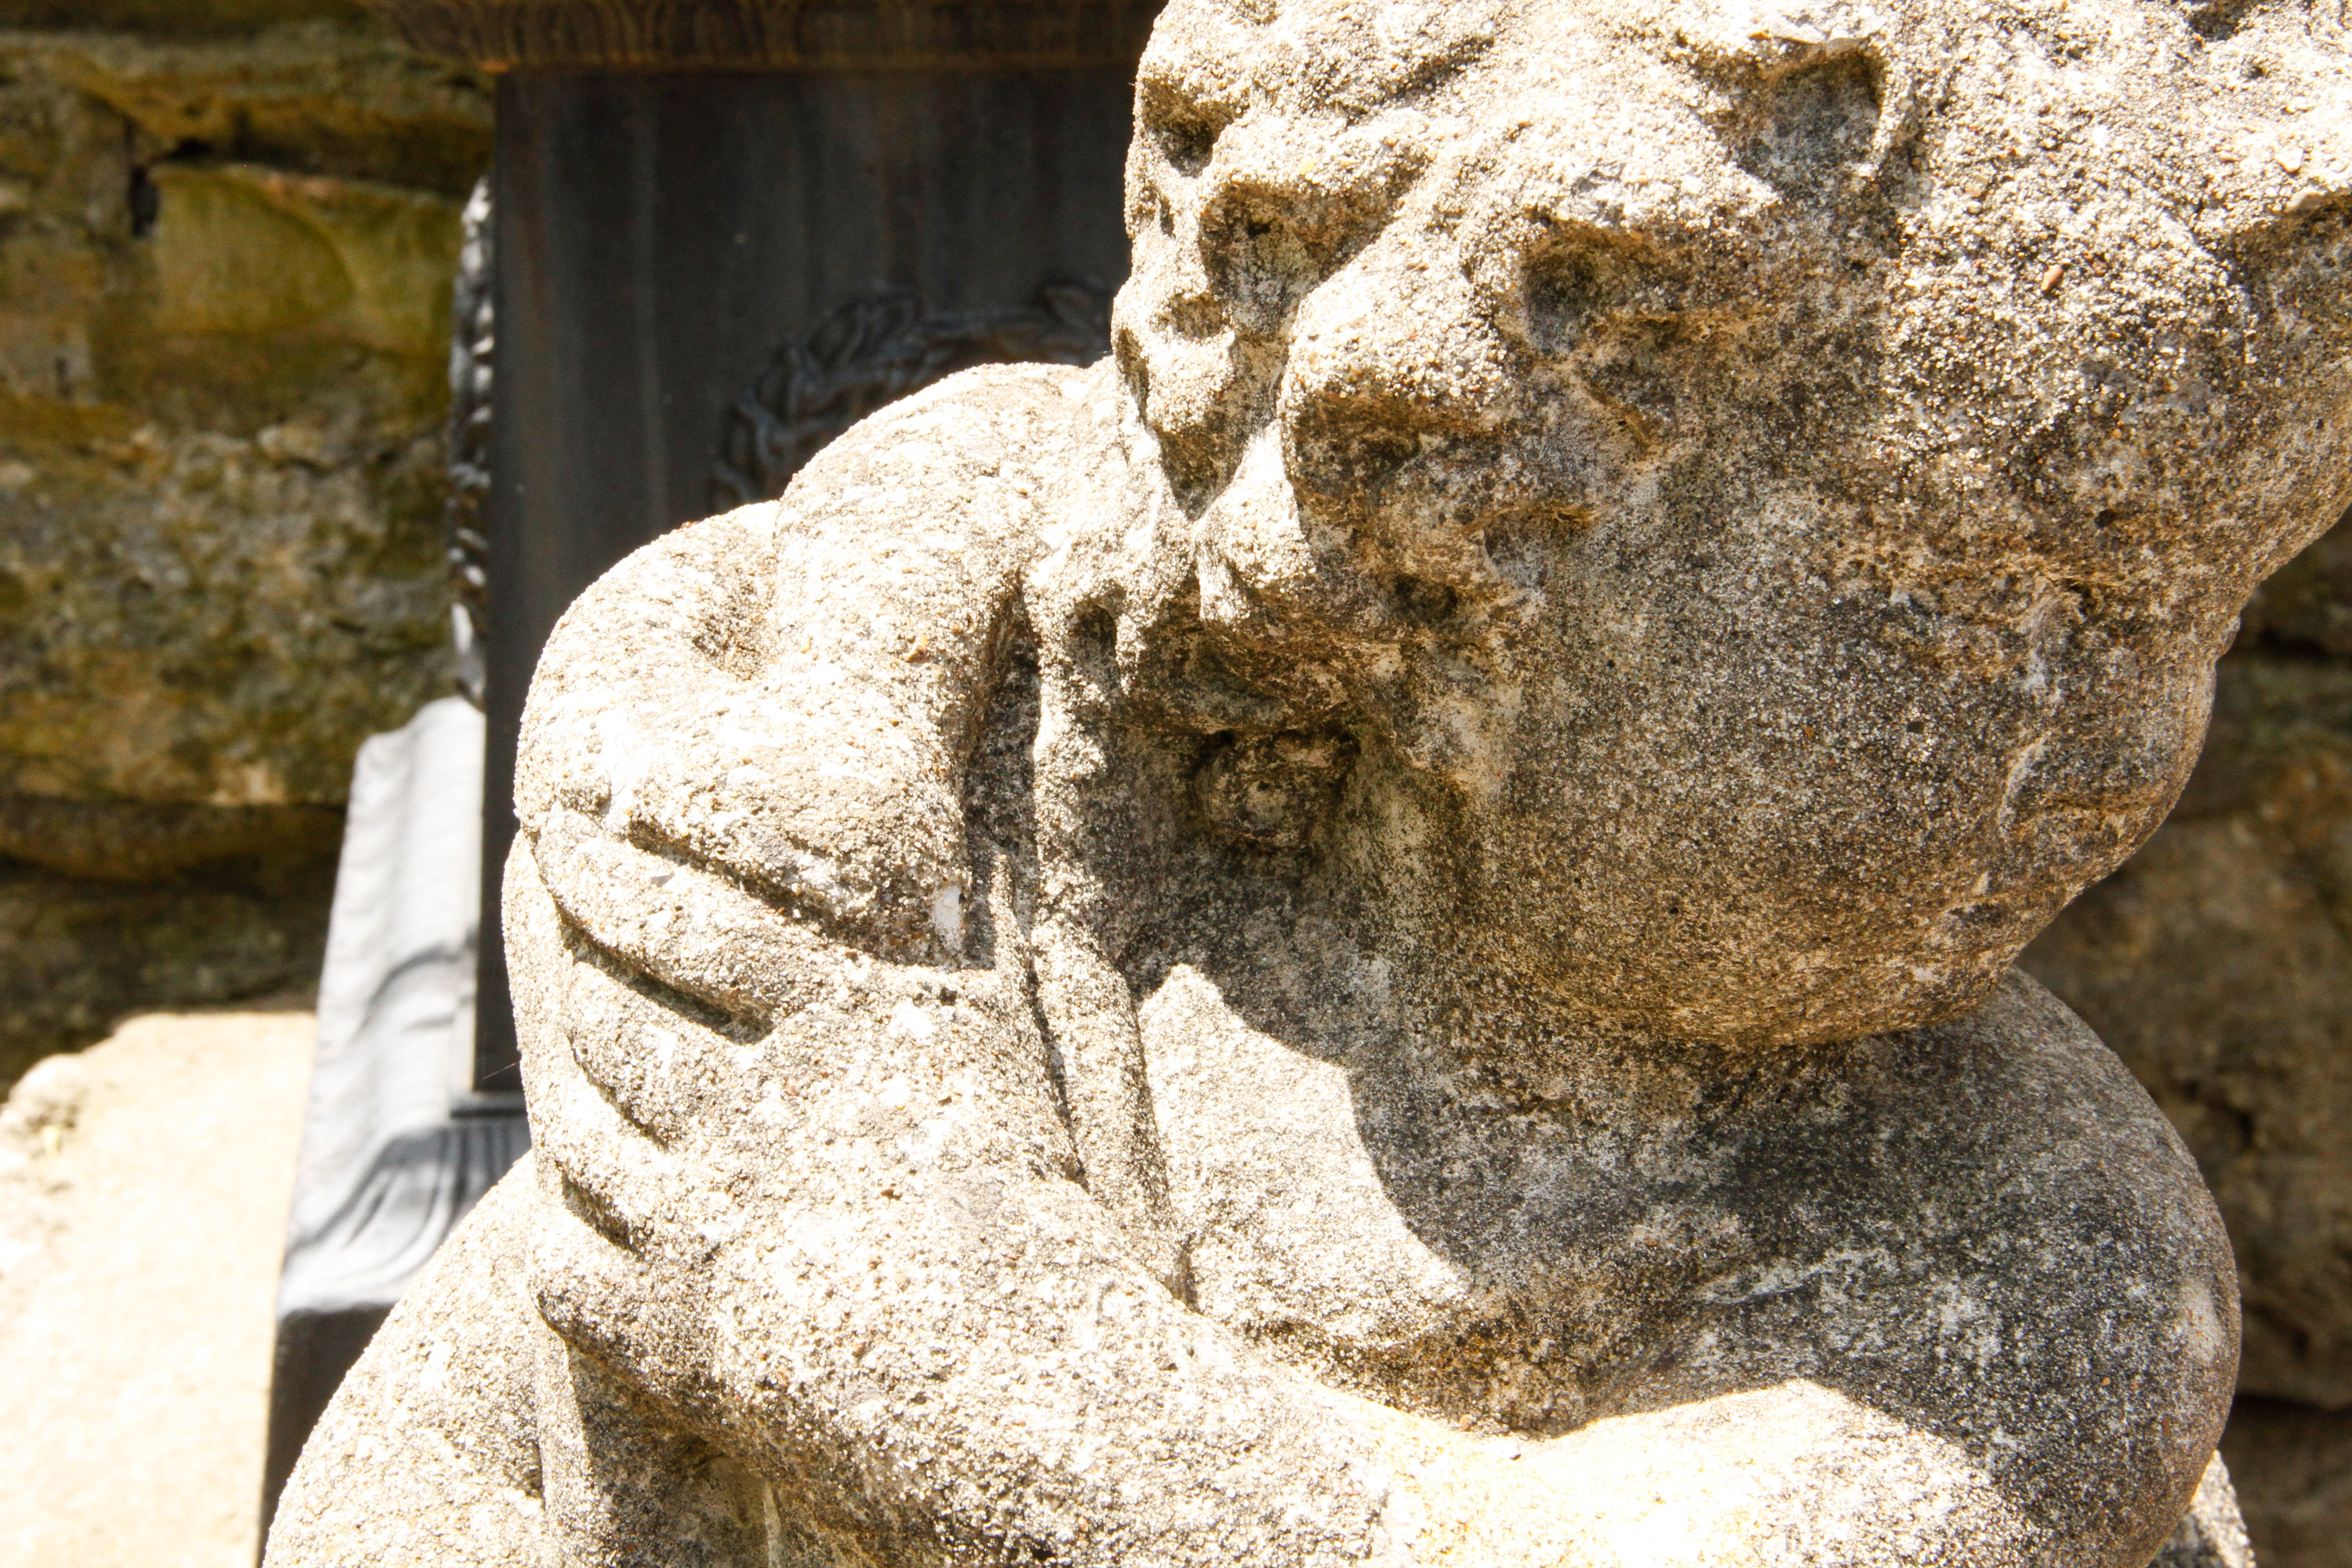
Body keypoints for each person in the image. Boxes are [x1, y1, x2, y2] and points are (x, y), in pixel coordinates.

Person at [269, 0, 2350, 1562]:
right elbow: (453, 1458)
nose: (2115, 751)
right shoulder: (983, 822)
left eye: (2188, 618)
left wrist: (920, 1342)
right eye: (2015, 615)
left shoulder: (2033, 1265)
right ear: (1456, 541)